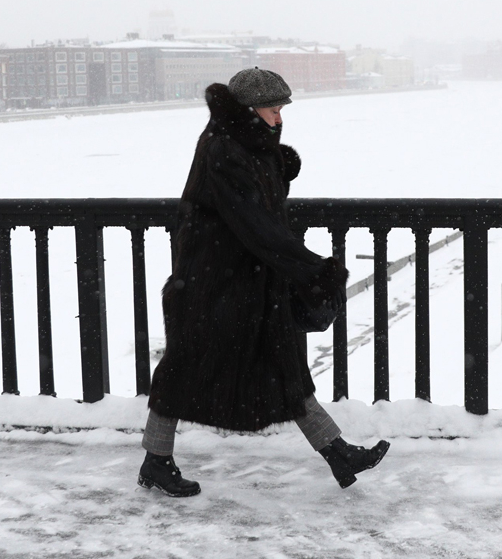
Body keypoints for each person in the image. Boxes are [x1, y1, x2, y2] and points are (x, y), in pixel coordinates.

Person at [138, 67, 389, 497]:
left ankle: (338, 453)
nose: (280, 118)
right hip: (213, 286)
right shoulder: (223, 150)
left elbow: (258, 210)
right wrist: (312, 268)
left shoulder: (242, 144)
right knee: (180, 374)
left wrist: (277, 162)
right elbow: (254, 223)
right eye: (274, 109)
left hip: (244, 282)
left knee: (284, 369)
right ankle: (155, 462)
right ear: (251, 110)